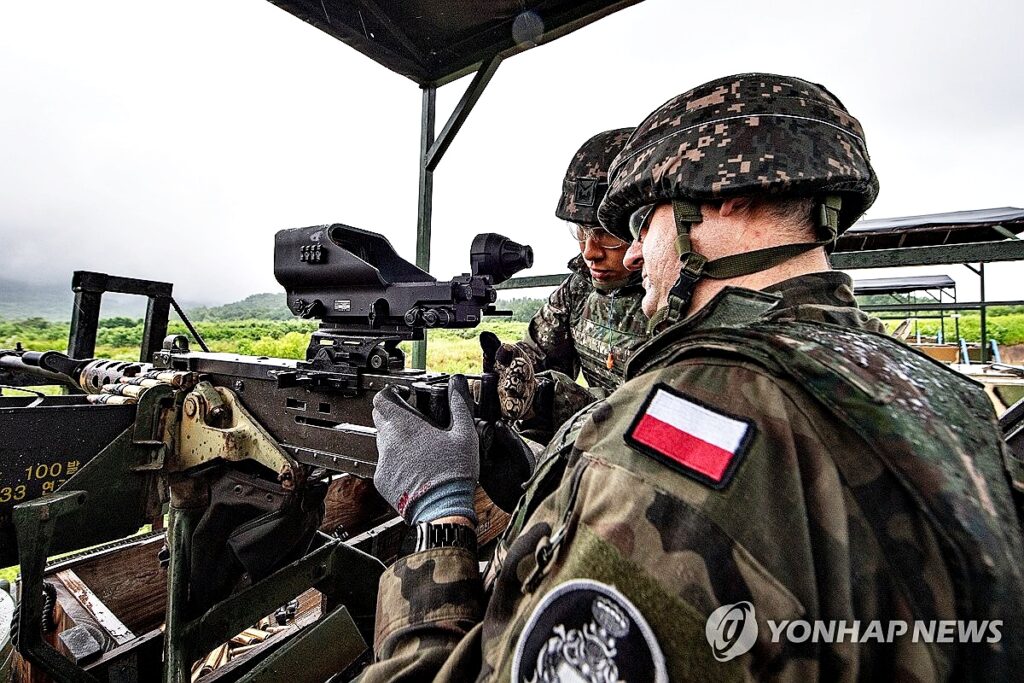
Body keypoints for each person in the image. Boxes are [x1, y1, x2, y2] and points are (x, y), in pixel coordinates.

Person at [364, 73, 1024, 681]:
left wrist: (437, 517)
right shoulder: (932, 389)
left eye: (640, 223)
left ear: (725, 196)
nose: (630, 250)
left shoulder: (679, 439)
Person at [487, 128, 649, 433]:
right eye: (581, 232)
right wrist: (509, 367)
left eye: (606, 234)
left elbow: (661, 415)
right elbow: (540, 356)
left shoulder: (677, 298)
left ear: (645, 226)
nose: (590, 252)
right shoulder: (579, 289)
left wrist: (555, 399)